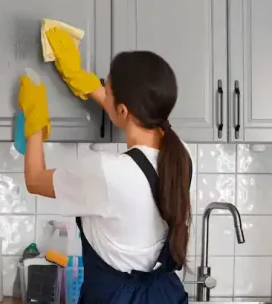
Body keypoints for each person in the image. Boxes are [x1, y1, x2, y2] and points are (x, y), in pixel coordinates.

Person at [17, 27, 193, 303]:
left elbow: (35, 179)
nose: (104, 92)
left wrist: (35, 117)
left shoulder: (108, 172)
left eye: (107, 89)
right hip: (166, 295)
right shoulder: (180, 154)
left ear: (123, 110)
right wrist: (81, 79)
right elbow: (134, 115)